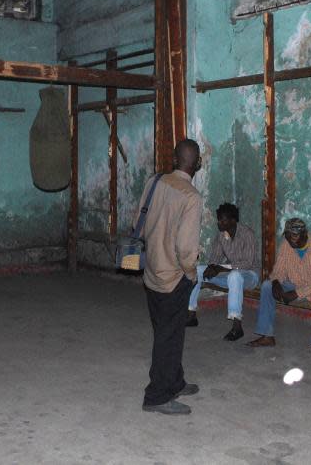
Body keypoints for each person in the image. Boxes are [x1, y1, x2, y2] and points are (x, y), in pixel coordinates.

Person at [139, 139, 203, 416]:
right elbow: (187, 249)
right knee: (168, 337)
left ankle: (174, 381)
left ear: (175, 159)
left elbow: (138, 224)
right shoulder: (191, 197)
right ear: (197, 164)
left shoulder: (155, 182)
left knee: (168, 332)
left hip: (151, 272)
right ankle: (157, 396)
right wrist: (190, 275)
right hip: (173, 278)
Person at [247, 218, 311, 359]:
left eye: (295, 236)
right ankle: (267, 336)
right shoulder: (286, 245)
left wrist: (297, 293)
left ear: (305, 234)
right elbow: (278, 270)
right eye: (289, 235)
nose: (291, 239)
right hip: (296, 284)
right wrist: (276, 281)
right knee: (267, 286)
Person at [186, 203, 260, 341]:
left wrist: (221, 268)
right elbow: (215, 258)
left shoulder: (247, 234)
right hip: (231, 275)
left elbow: (247, 264)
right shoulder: (221, 236)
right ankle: (191, 315)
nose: (219, 223)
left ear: (233, 221)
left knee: (235, 276)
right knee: (197, 271)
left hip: (250, 276)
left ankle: (237, 326)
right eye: (219, 219)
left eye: (223, 220)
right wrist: (211, 267)